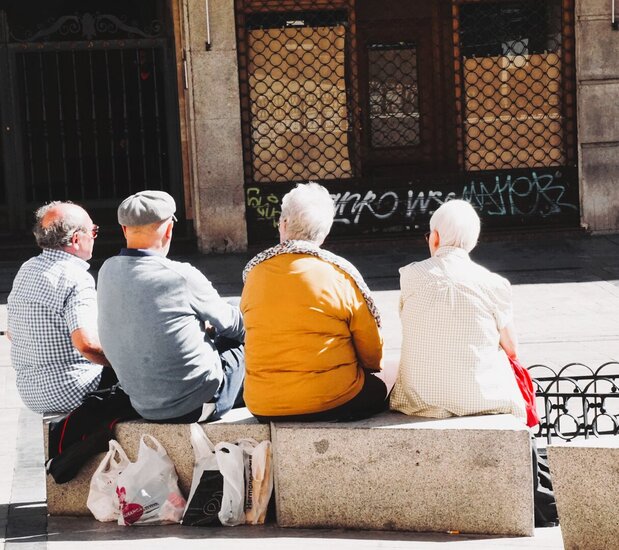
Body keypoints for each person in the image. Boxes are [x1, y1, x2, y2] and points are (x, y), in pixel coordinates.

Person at [390, 199, 557, 527]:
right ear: (473, 242)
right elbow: (512, 348)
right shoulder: (494, 283)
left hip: (419, 399)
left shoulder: (409, 275)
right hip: (484, 399)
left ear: (434, 238)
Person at [241, 182, 387, 422]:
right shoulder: (340, 274)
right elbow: (371, 349)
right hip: (333, 399)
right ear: (324, 232)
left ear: (283, 224)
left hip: (263, 404)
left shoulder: (254, 274)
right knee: (379, 389)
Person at [97, 190, 245, 423]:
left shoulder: (107, 270)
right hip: (198, 403)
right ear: (168, 229)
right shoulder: (180, 276)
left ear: (124, 229)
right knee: (245, 338)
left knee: (228, 310)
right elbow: (237, 327)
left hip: (143, 406)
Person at [7, 202, 115, 414]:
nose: (94, 237)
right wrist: (125, 362)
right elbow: (87, 345)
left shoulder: (27, 269)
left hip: (31, 393)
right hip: (74, 389)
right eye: (93, 231)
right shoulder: (76, 278)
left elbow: (12, 333)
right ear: (76, 239)